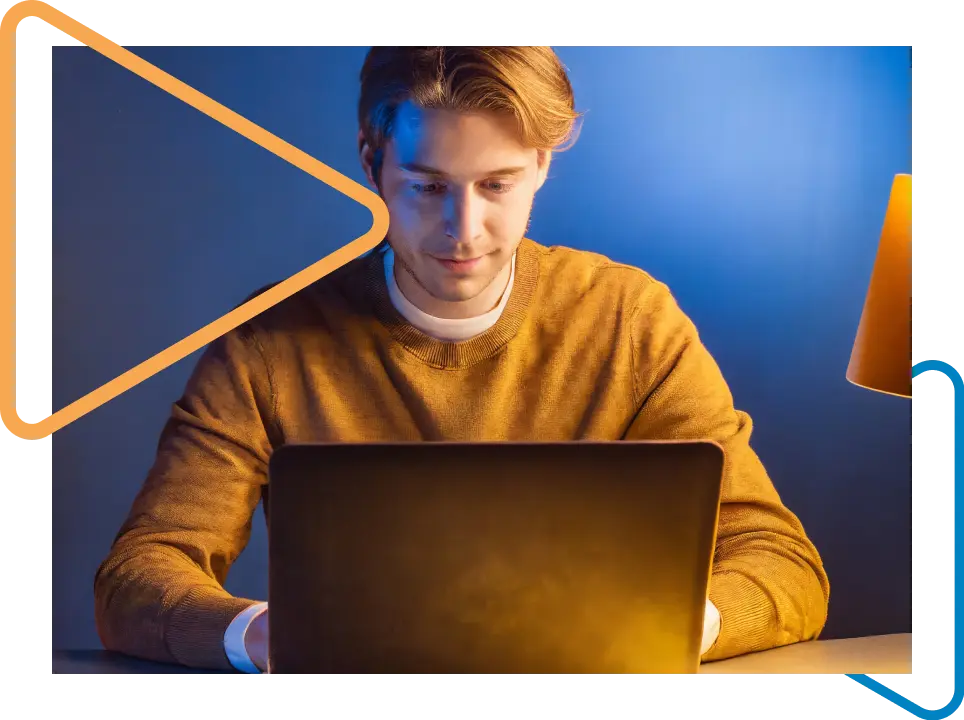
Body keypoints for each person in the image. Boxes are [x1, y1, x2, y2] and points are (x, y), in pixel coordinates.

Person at [93, 44, 830, 674]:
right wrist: (259, 633)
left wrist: (664, 626)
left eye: (497, 185)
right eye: (428, 187)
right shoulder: (269, 340)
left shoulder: (631, 320)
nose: (463, 230)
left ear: (542, 164)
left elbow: (781, 564)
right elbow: (137, 576)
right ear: (371, 163)